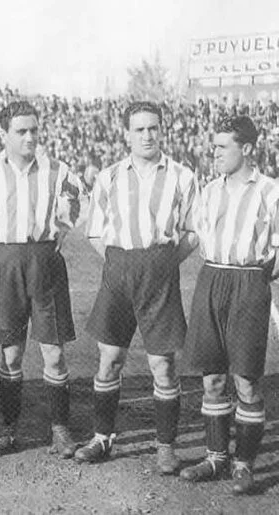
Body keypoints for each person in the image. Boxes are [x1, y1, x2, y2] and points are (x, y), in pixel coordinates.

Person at [0, 100, 83, 458]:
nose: (30, 137)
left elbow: (75, 199)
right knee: (11, 353)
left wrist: (60, 231)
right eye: (21, 131)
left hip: (45, 261)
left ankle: (60, 429)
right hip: (6, 263)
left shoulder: (57, 169)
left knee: (53, 352)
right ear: (3, 133)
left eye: (34, 130)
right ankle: (8, 429)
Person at [76, 101, 199, 475]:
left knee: (162, 363)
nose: (147, 135)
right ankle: (102, 437)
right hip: (119, 271)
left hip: (159, 271)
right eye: (139, 129)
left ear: (162, 130)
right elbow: (95, 232)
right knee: (109, 358)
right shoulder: (109, 176)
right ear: (126, 134)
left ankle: (166, 446)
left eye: (153, 128)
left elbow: (193, 232)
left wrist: (162, 262)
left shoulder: (182, 176)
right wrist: (120, 261)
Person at [178, 116, 278, 494]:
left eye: (223, 147)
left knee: (246, 380)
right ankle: (216, 457)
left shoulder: (270, 192)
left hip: (249, 282)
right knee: (212, 377)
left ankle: (244, 465)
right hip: (212, 279)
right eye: (214, 146)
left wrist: (256, 280)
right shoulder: (208, 191)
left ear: (247, 148)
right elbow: (197, 237)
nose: (215, 153)